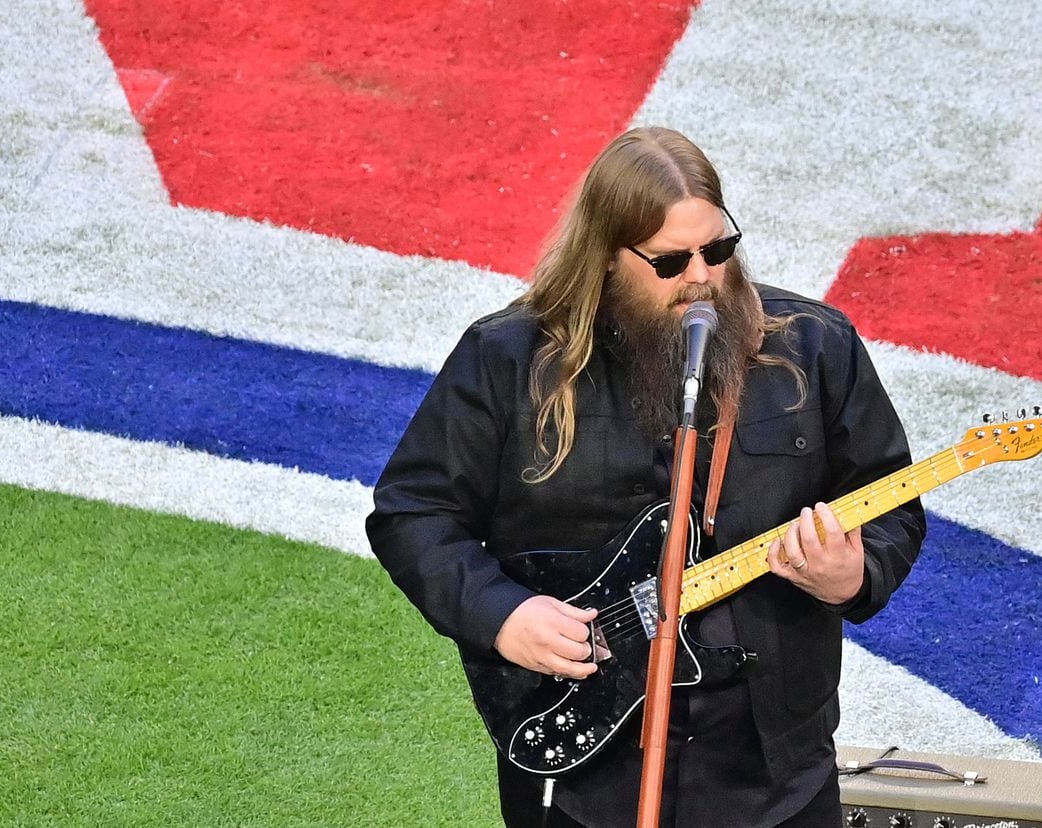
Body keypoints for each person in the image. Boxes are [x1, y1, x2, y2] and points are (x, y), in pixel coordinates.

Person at [366, 127, 926, 827]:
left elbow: (891, 500)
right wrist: (502, 616)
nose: (701, 277)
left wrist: (854, 573)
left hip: (774, 768)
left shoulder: (816, 346)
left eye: (717, 250)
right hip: (580, 766)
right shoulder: (506, 360)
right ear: (604, 256)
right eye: (670, 261)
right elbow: (414, 513)